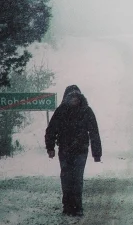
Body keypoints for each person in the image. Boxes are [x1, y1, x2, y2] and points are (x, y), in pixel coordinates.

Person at [45, 85, 102, 216]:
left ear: (80, 97)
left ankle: (77, 207)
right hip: (64, 150)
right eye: (72, 97)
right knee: (66, 178)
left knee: (77, 178)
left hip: (81, 150)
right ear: (67, 98)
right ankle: (67, 206)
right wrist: (50, 148)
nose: (74, 99)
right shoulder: (61, 111)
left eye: (76, 97)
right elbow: (51, 130)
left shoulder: (86, 111)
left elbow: (94, 133)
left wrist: (96, 153)